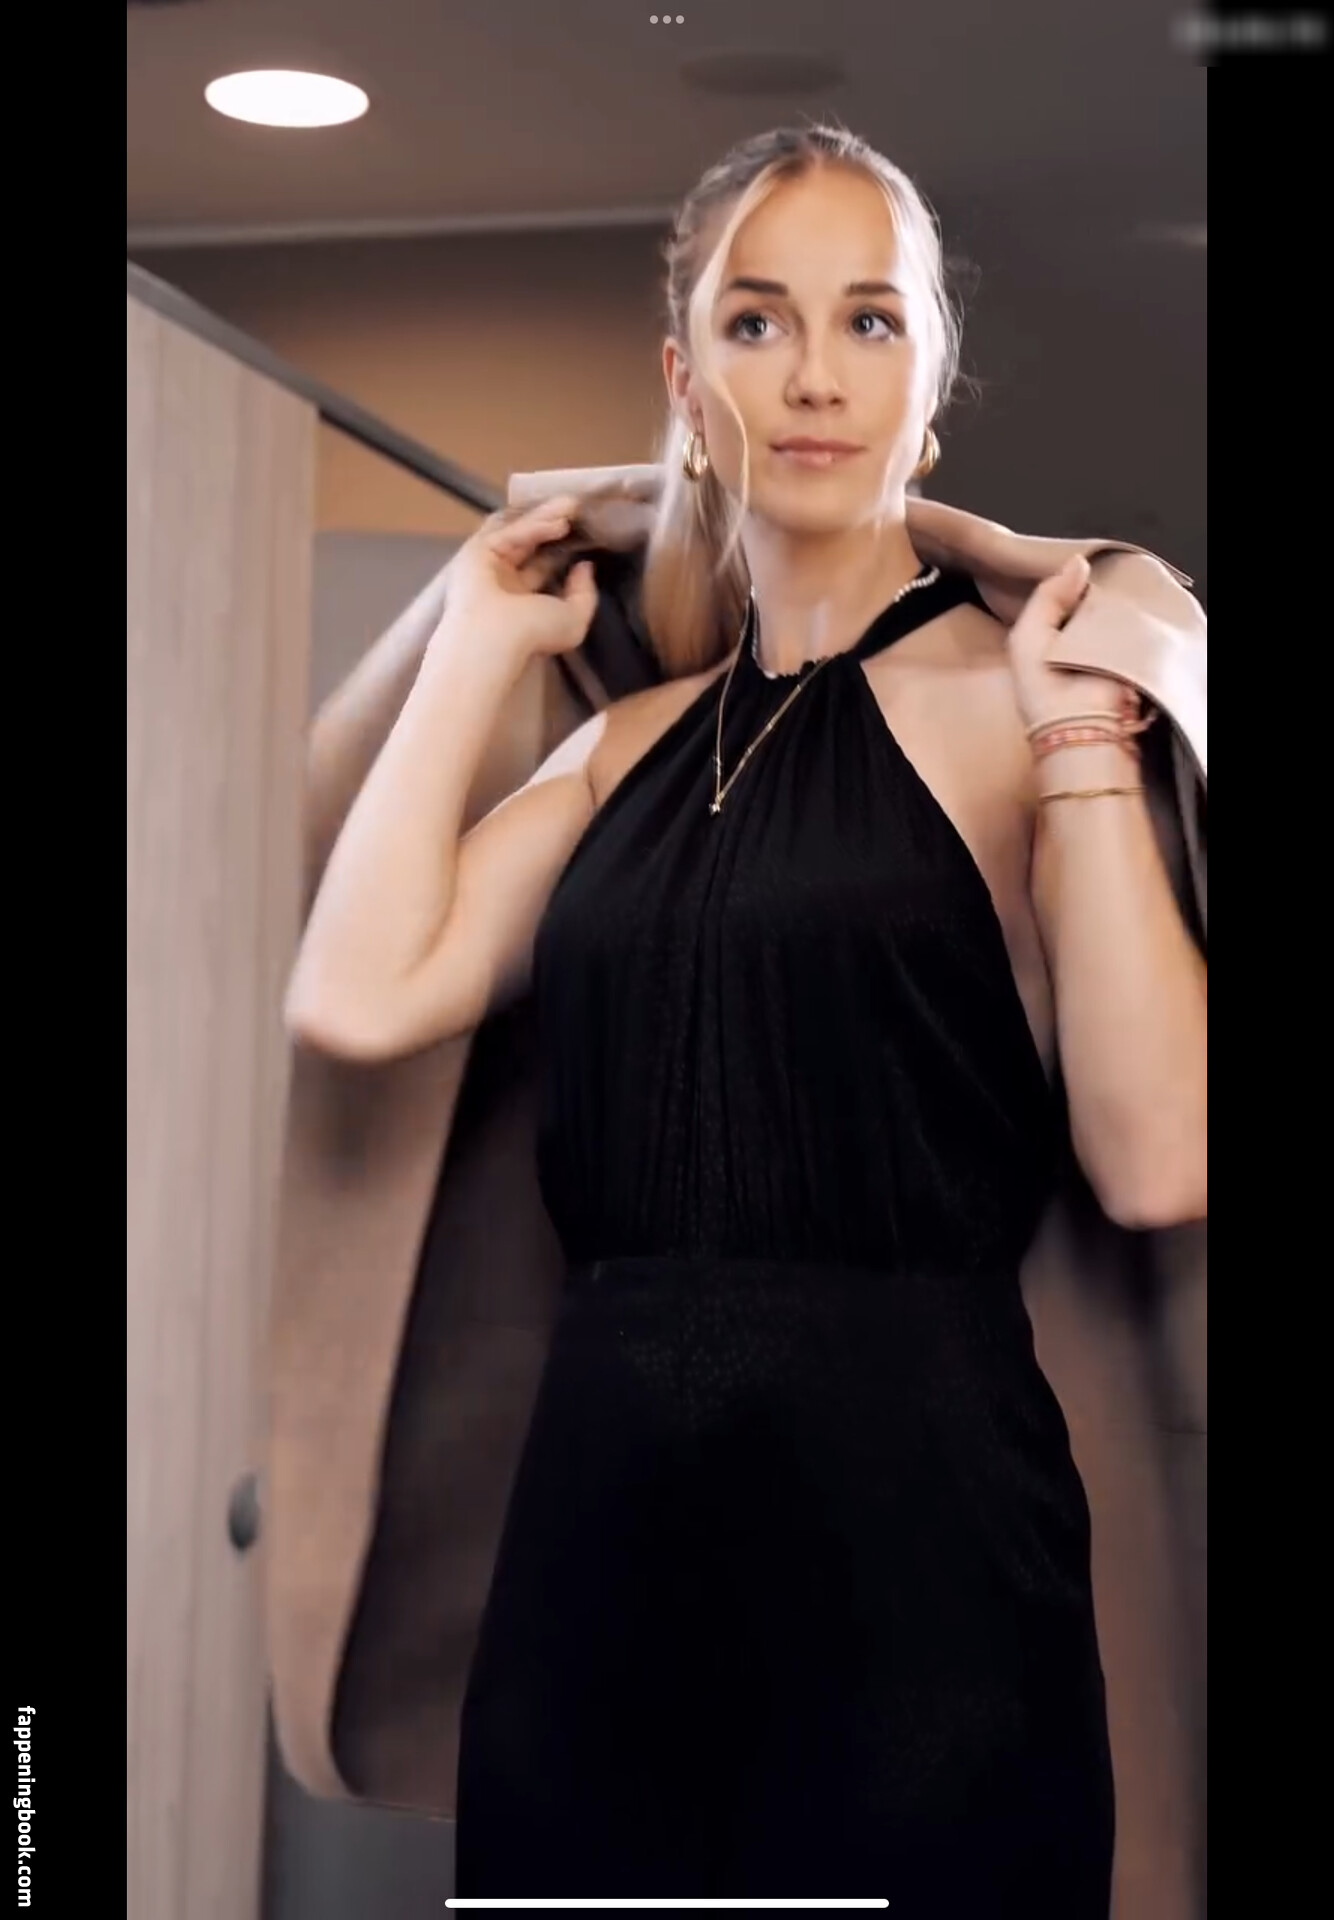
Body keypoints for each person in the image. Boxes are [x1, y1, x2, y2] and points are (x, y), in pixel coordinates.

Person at [284, 125, 1207, 1908]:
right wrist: (474, 641)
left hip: (921, 1572)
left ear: (929, 385)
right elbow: (355, 995)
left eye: (870, 321)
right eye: (757, 321)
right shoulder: (619, 747)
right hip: (594, 1560)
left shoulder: (1022, 708)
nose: (812, 376)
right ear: (685, 381)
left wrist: (1080, 736)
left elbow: (1161, 1158)